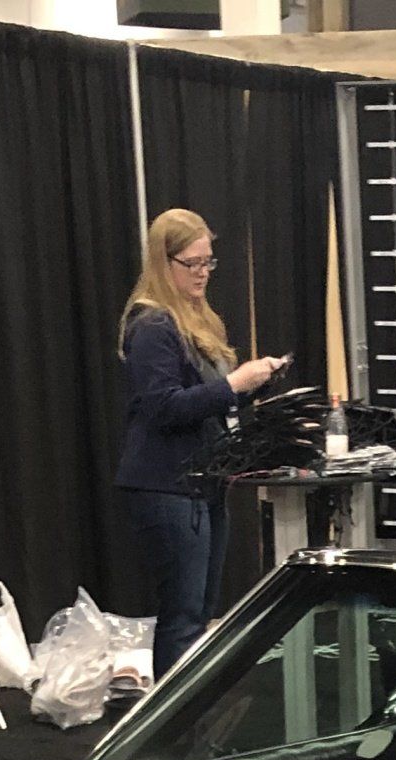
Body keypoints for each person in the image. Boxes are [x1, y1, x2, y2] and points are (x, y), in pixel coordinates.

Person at [116, 208, 285, 677]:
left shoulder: (197, 320)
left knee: (200, 611)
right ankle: (171, 731)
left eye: (209, 262)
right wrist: (233, 385)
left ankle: (186, 723)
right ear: (164, 263)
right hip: (166, 486)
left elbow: (208, 405)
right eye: (193, 263)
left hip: (201, 483)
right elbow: (164, 408)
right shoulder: (152, 327)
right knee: (183, 616)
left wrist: (255, 385)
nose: (203, 273)